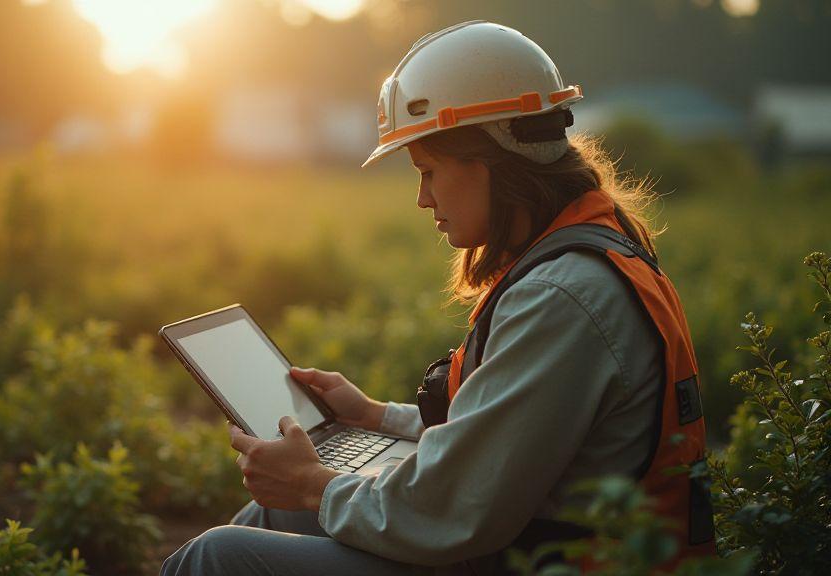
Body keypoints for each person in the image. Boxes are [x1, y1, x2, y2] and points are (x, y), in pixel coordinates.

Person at [161, 20, 714, 576]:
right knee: (272, 515)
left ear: (492, 159)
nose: (423, 198)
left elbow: (453, 510)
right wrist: (377, 418)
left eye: (428, 170)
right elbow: (506, 445)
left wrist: (313, 484)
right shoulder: (585, 259)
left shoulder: (561, 296)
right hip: (531, 547)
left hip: (549, 562)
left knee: (219, 555)